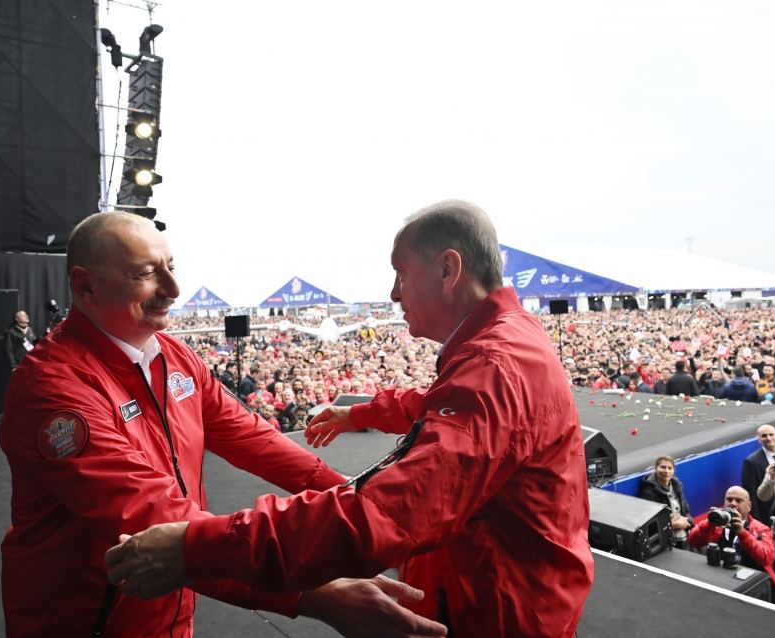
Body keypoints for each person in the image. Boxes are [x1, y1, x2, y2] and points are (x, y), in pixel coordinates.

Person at [106, 200, 595, 637]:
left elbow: (391, 513)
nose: (394, 293)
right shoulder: (502, 344)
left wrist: (197, 546)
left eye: (401, 273)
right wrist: (356, 418)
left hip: (500, 611)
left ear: (448, 270)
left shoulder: (495, 363)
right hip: (500, 594)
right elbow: (436, 406)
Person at [0, 212, 441, 638]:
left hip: (168, 606)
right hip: (82, 619)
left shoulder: (175, 356)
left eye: (171, 267)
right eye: (146, 274)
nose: (173, 289)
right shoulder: (53, 389)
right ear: (84, 284)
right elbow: (147, 516)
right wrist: (315, 595)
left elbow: (251, 437)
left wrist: (357, 500)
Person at [687, 486, 775, 578]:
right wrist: (709, 523)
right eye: (729, 500)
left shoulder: (760, 528)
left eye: (738, 500)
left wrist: (742, 532)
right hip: (717, 575)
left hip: (748, 578)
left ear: (749, 506)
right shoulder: (716, 523)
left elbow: (767, 558)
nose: (733, 503)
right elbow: (692, 541)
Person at [637, 455, 694, 548]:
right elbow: (650, 523)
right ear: (656, 468)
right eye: (663, 467)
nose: (666, 471)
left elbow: (686, 511)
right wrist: (673, 525)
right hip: (664, 543)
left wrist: (688, 522)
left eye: (670, 468)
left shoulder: (677, 487)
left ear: (673, 470)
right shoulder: (648, 491)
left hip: (682, 537)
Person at [741, 424, 775, 523]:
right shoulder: (751, 462)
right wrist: (757, 520)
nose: (768, 438)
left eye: (771, 434)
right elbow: (750, 494)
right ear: (759, 440)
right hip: (768, 515)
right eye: (764, 436)